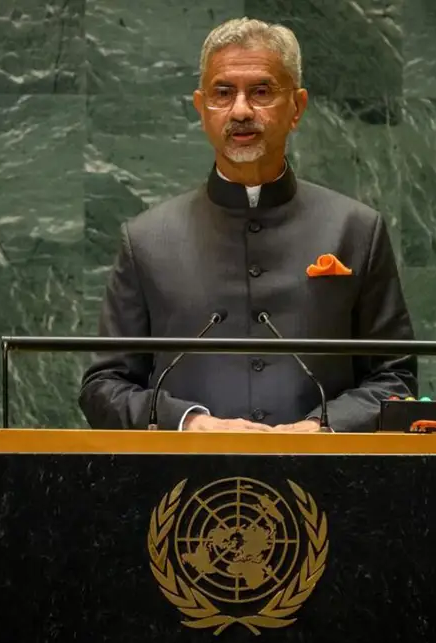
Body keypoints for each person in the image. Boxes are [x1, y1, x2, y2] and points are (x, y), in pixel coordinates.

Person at [77, 17, 417, 433]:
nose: (240, 110)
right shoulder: (146, 240)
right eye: (223, 93)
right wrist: (189, 423)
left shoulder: (357, 230)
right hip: (183, 487)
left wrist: (323, 428)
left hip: (330, 481)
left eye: (261, 92)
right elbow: (103, 387)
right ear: (202, 109)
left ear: (297, 108)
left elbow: (397, 381)